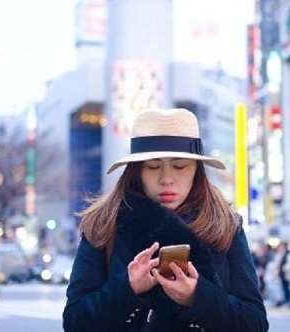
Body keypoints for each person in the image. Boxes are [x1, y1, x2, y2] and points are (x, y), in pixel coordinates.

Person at [62, 109, 269, 332]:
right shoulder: (104, 223)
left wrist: (197, 296)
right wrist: (128, 288)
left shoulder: (225, 224)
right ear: (136, 171)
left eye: (180, 166)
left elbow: (255, 323)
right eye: (152, 166)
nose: (167, 179)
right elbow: (75, 322)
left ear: (196, 171)